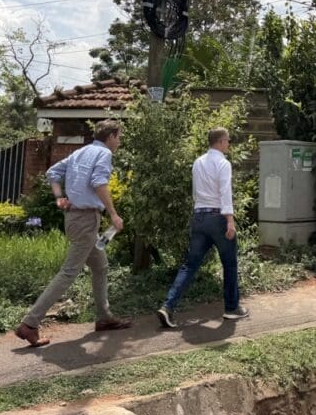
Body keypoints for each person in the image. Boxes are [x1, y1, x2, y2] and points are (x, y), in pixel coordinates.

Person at [15, 120, 131, 347]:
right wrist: (114, 215)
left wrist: (60, 198)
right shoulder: (104, 154)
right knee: (68, 273)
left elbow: (52, 172)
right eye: (119, 137)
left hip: (75, 217)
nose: (120, 141)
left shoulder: (81, 152)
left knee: (100, 266)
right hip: (86, 219)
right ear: (111, 136)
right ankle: (29, 324)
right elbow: (99, 183)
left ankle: (104, 317)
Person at [157, 127, 249, 328]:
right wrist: (230, 221)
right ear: (221, 141)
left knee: (190, 265)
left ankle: (168, 306)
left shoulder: (198, 163)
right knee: (230, 263)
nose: (229, 144)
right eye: (228, 140)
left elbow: (195, 192)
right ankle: (232, 308)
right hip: (218, 217)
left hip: (199, 216)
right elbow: (225, 193)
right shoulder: (223, 164)